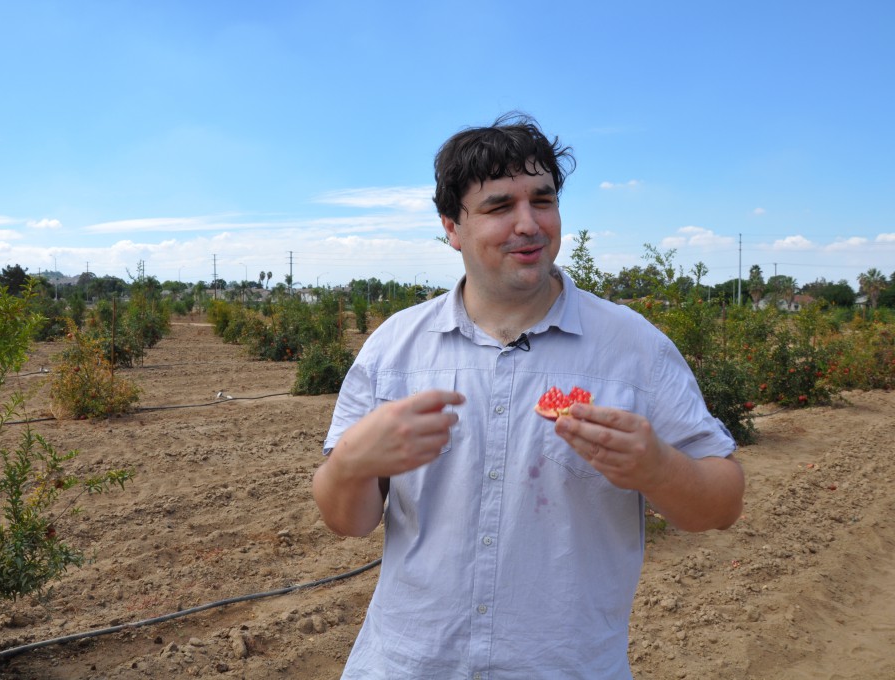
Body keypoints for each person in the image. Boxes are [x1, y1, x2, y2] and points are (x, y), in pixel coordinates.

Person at [312, 112, 744, 679]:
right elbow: (348, 521)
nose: (529, 224)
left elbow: (722, 502)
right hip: (408, 664)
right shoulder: (395, 349)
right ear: (451, 227)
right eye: (498, 207)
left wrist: (659, 468)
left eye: (543, 201)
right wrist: (351, 464)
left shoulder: (633, 348)